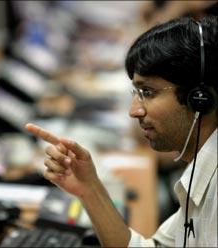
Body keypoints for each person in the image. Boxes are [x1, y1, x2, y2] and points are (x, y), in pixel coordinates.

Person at [25, 15, 217, 247]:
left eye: (147, 92)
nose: (133, 111)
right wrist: (89, 188)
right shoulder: (203, 168)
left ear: (200, 98)